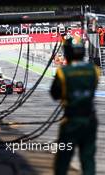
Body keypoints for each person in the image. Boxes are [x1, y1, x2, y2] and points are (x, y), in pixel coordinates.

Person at [50, 36, 100, 175]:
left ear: (67, 52)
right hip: (90, 120)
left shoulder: (63, 72)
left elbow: (54, 94)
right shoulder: (94, 70)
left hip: (71, 121)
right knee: (88, 159)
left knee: (63, 159)